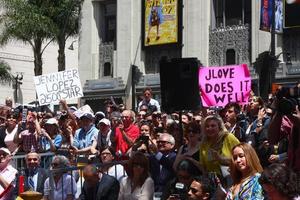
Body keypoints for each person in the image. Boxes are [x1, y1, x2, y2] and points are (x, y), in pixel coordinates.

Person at [199, 115, 239, 181]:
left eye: (213, 126)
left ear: (219, 127)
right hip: (213, 181)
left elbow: (242, 157)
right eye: (207, 126)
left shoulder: (228, 137)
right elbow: (203, 166)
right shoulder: (204, 143)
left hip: (231, 178)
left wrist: (221, 160)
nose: (209, 128)